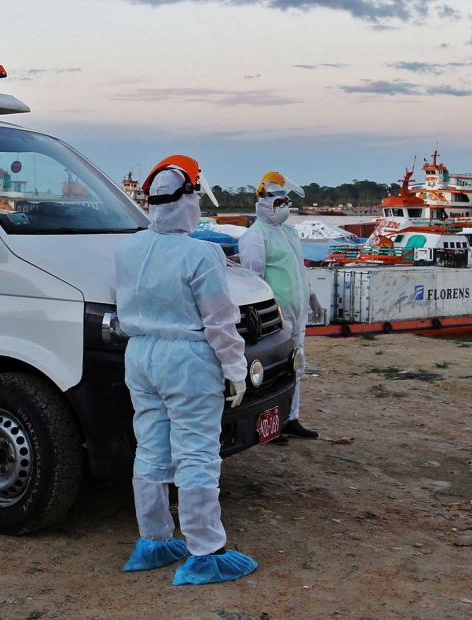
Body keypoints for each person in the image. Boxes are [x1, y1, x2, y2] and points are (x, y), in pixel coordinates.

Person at [114, 155, 257, 585]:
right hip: (188, 360)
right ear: (186, 201)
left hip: (139, 355)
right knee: (197, 454)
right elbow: (219, 320)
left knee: (151, 450)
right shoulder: (202, 254)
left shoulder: (127, 248)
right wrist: (235, 368)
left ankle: (154, 540)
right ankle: (205, 551)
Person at [238, 171, 323, 440]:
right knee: (273, 367)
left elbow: (298, 268)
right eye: (278, 203)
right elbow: (253, 280)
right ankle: (267, 423)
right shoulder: (255, 237)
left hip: (297, 311)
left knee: (296, 364)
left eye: (286, 202)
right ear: (262, 203)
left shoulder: (288, 233)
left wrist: (312, 295)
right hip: (275, 315)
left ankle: (290, 418)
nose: (284, 208)